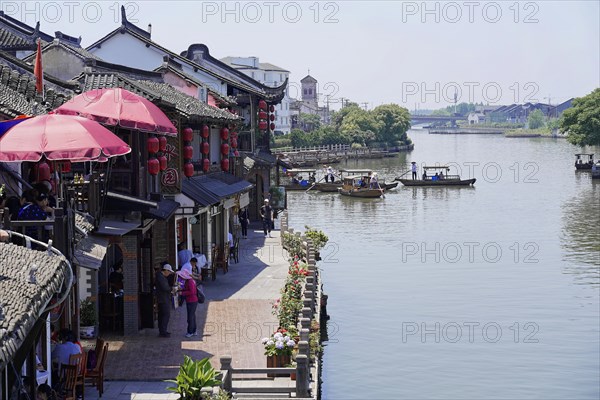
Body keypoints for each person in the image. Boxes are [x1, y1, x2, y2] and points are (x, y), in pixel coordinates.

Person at [177, 269, 199, 338]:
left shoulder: (190, 281)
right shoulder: (188, 281)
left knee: (190, 317)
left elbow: (192, 292)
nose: (180, 277)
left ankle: (190, 331)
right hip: (191, 300)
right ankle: (194, 330)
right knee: (192, 316)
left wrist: (182, 293)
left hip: (192, 301)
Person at [155, 264, 174, 337]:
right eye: (169, 272)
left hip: (162, 298)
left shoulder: (160, 276)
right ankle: (163, 331)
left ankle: (162, 331)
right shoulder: (161, 277)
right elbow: (165, 288)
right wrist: (172, 288)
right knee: (166, 315)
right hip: (163, 299)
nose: (169, 274)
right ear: (166, 270)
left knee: (162, 315)